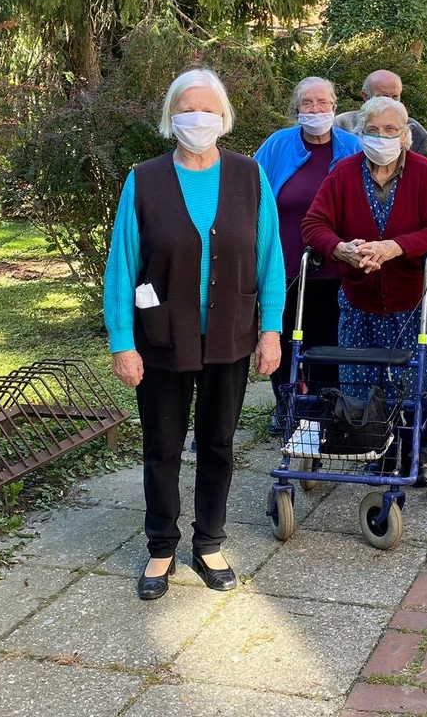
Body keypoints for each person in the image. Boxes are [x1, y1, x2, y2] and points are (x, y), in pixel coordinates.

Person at [104, 68, 285, 600]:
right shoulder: (145, 179)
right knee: (162, 446)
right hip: (162, 339)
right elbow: (122, 265)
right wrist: (122, 340)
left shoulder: (250, 177)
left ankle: (209, 541)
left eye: (208, 110)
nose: (197, 119)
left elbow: (270, 260)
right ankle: (161, 546)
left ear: (224, 118)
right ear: (171, 117)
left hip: (229, 335)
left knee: (218, 443)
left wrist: (269, 331)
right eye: (187, 109)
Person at [303, 96, 427, 470]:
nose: (381, 137)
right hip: (361, 297)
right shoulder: (342, 173)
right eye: (372, 130)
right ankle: (369, 442)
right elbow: (313, 225)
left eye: (390, 130)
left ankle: (412, 449)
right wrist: (340, 249)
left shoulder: (424, 173)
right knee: (359, 379)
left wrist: (394, 247)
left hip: (415, 298)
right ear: (359, 134)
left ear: (406, 135)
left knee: (416, 380)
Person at [253, 77, 363, 431]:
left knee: (328, 338)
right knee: (283, 336)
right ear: (296, 108)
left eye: (322, 103)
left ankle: (328, 404)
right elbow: (252, 193)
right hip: (283, 264)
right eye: (307, 104)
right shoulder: (277, 145)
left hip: (338, 265)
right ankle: (286, 403)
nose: (315, 110)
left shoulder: (353, 146)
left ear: (335, 106)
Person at [333, 69, 427, 157]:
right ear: (365, 96)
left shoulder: (416, 132)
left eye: (395, 97)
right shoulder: (341, 125)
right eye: (382, 96)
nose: (389, 102)